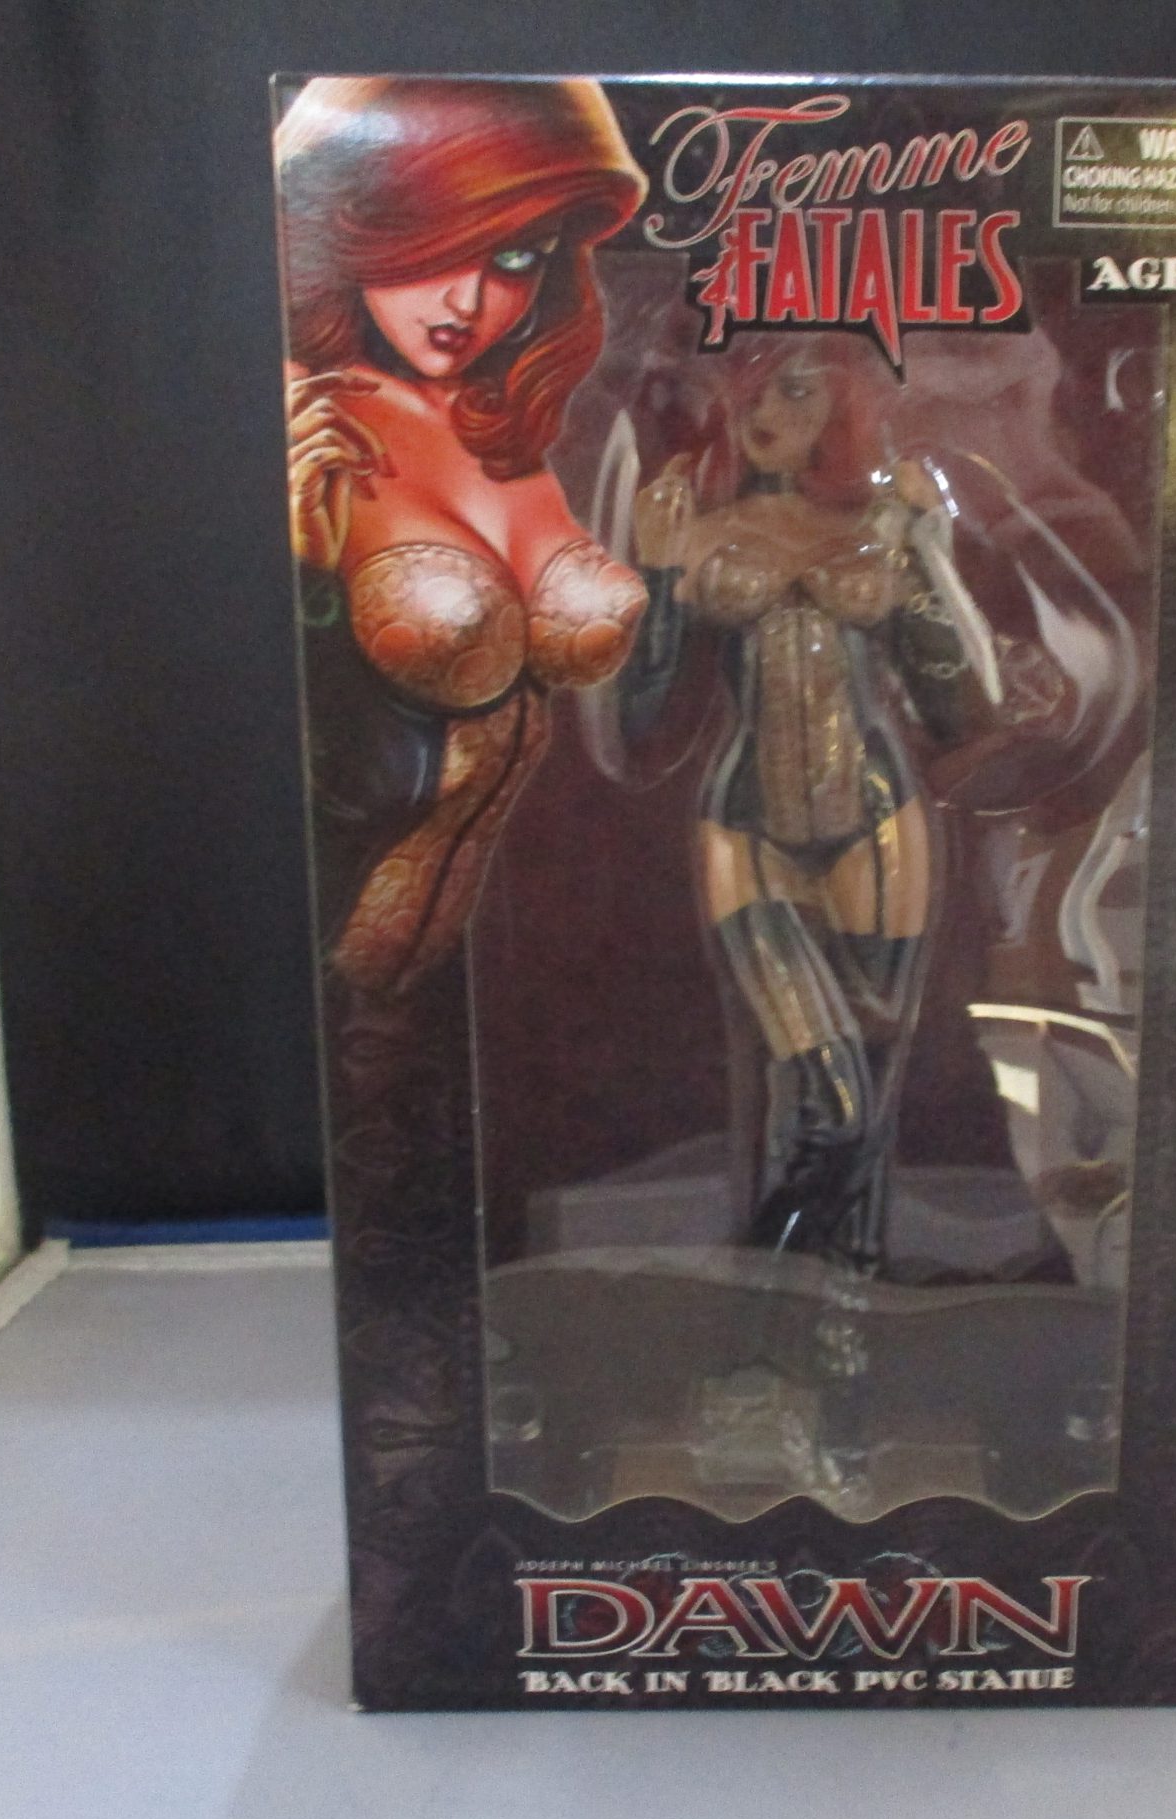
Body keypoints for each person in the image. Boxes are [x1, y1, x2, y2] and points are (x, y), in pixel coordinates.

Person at [624, 339, 1043, 1272]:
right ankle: (778, 1278)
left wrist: (930, 552)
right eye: (751, 393)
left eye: (796, 393)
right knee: (833, 1095)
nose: (765, 413)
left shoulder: (886, 527)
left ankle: (838, 1298)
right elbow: (639, 716)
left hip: (879, 823)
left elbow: (956, 707)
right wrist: (654, 574)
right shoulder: (697, 532)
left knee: (869, 1095)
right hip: (746, 828)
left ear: (840, 411)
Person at [276, 77, 648, 1004]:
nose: (469, 299)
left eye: (517, 257)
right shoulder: (300, 412)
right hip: (305, 966)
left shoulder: (499, 425)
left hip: (461, 987)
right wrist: (298, 577)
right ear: (355, 228)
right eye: (434, 247)